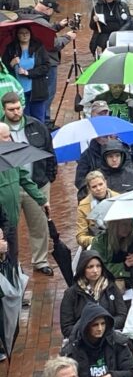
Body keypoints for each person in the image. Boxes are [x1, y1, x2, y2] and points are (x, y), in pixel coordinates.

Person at [2, 91, 55, 272]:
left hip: (37, 183)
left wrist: (48, 179)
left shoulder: (37, 126)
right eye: (11, 109)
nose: (16, 112)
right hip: (8, 197)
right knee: (9, 234)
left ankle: (39, 262)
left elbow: (49, 152)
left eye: (18, 108)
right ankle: (12, 269)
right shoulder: (2, 132)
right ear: (4, 109)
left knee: (39, 226)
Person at [59, 249, 128, 339]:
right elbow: (66, 327)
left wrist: (103, 327)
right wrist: (89, 330)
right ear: (82, 268)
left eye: (98, 266)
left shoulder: (111, 288)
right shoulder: (71, 294)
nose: (95, 270)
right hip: (82, 341)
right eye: (90, 267)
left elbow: (122, 316)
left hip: (110, 337)